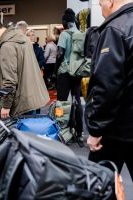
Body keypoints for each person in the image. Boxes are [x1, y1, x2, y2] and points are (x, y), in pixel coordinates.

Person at [84, 0, 133, 180]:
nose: (99, 3)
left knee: (98, 184)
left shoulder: (115, 29)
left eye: (101, 1)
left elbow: (107, 85)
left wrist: (96, 130)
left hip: (116, 129)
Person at [0, 17, 49, 119]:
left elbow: (10, 80)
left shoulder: (7, 46)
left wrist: (6, 105)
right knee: (30, 133)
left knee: (20, 133)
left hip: (22, 101)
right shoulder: (21, 38)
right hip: (32, 97)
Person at [55, 8, 84, 142]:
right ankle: (79, 131)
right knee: (76, 100)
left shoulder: (64, 34)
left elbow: (60, 54)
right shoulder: (81, 34)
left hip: (64, 72)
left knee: (61, 102)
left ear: (65, 22)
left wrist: (55, 70)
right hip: (77, 71)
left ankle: (61, 128)